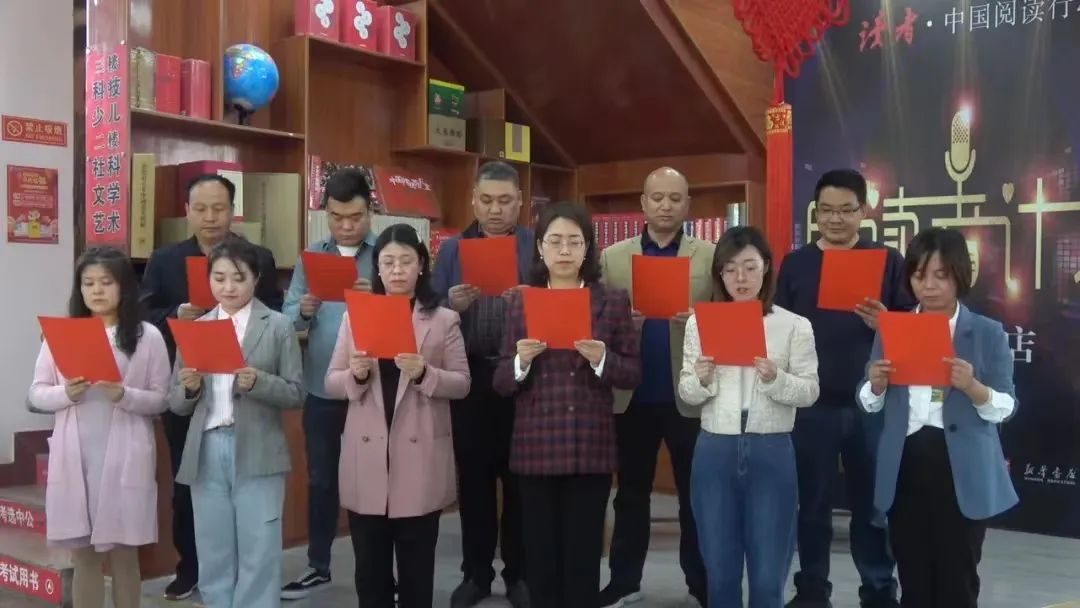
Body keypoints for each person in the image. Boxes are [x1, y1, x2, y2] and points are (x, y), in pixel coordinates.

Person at [141, 173, 283, 601]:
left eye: (219, 208)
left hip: (248, 399)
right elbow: (145, 311)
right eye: (200, 209)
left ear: (232, 211)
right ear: (187, 211)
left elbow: (275, 310)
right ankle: (191, 569)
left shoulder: (258, 257)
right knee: (190, 491)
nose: (210, 217)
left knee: (250, 511)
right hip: (192, 382)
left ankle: (248, 587)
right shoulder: (165, 259)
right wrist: (178, 314)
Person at [493, 202, 642, 608]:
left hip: (588, 445)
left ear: (587, 248)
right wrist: (522, 360)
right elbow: (501, 381)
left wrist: (603, 359)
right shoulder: (522, 303)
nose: (564, 250)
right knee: (540, 560)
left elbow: (632, 374)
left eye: (574, 242)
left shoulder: (612, 301)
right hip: (536, 445)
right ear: (540, 248)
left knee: (582, 560)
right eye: (555, 241)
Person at [859, 227, 1017, 608]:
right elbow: (868, 401)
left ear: (960, 275)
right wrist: (875, 385)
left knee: (957, 581)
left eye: (940, 275)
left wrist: (973, 387)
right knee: (913, 579)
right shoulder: (892, 328)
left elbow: (1007, 405)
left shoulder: (987, 333)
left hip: (960, 470)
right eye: (919, 275)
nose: (928, 286)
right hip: (906, 466)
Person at [776, 169, 910, 608]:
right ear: (815, 212)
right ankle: (812, 590)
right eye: (826, 211)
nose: (835, 219)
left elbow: (913, 329)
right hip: (811, 404)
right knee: (811, 504)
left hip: (872, 403)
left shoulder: (887, 260)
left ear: (863, 211)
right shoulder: (796, 263)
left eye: (846, 210)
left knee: (872, 506)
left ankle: (878, 590)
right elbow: (777, 326)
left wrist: (885, 322)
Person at [326, 223, 471, 608]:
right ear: (377, 267)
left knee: (416, 573)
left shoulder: (443, 319)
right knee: (369, 573)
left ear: (421, 264)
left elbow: (462, 384)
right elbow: (331, 382)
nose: (396, 270)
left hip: (418, 458)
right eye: (388, 262)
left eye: (406, 261)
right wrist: (355, 377)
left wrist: (425, 373)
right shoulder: (356, 316)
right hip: (368, 457)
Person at [678, 226, 820, 608]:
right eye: (730, 269)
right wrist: (702, 379)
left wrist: (776, 379)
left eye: (750, 267)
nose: (740, 278)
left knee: (768, 576)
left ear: (766, 267)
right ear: (719, 274)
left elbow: (810, 391)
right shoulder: (699, 323)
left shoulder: (793, 326)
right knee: (720, 574)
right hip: (715, 448)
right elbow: (687, 392)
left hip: (771, 448)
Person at [29, 247, 171, 608]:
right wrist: (66, 393)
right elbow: (36, 393)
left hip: (125, 456)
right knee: (84, 557)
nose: (96, 290)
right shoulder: (62, 334)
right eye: (88, 283)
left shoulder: (147, 336)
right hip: (76, 458)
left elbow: (162, 399)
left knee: (124, 555)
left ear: (124, 286)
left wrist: (125, 395)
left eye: (106, 282)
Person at [167, 238, 303, 608]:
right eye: (219, 278)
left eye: (238, 278)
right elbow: (175, 402)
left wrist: (259, 382)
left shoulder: (277, 326)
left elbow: (296, 393)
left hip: (259, 448)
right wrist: (189, 388)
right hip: (207, 449)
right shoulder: (195, 328)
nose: (228, 287)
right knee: (213, 549)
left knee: (260, 548)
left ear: (256, 278)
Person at [597, 166, 711, 607]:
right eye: (657, 198)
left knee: (695, 498)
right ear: (643, 203)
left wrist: (701, 321)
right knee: (630, 495)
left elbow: (728, 316)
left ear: (688, 205)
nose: (666, 206)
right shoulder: (613, 258)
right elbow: (596, 321)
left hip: (690, 397)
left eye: (675, 198)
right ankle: (624, 581)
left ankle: (700, 584)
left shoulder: (709, 255)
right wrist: (621, 323)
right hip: (632, 397)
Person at [432, 161, 533, 608]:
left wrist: (530, 300)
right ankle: (476, 573)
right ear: (473, 200)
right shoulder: (452, 249)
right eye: (487, 200)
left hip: (521, 377)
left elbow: (559, 301)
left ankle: (518, 574)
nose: (495, 210)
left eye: (505, 201)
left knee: (520, 481)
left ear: (520, 202)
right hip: (470, 378)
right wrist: (449, 304)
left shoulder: (535, 246)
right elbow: (428, 306)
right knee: (474, 482)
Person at [281, 168, 377, 600]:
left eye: (355, 217)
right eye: (337, 217)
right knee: (321, 480)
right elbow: (285, 321)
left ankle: (376, 570)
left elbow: (410, 310)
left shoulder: (386, 253)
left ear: (370, 211)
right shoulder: (311, 258)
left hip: (372, 388)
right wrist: (303, 310)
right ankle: (317, 565)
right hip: (321, 387)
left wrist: (377, 298)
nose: (346, 226)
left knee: (373, 481)